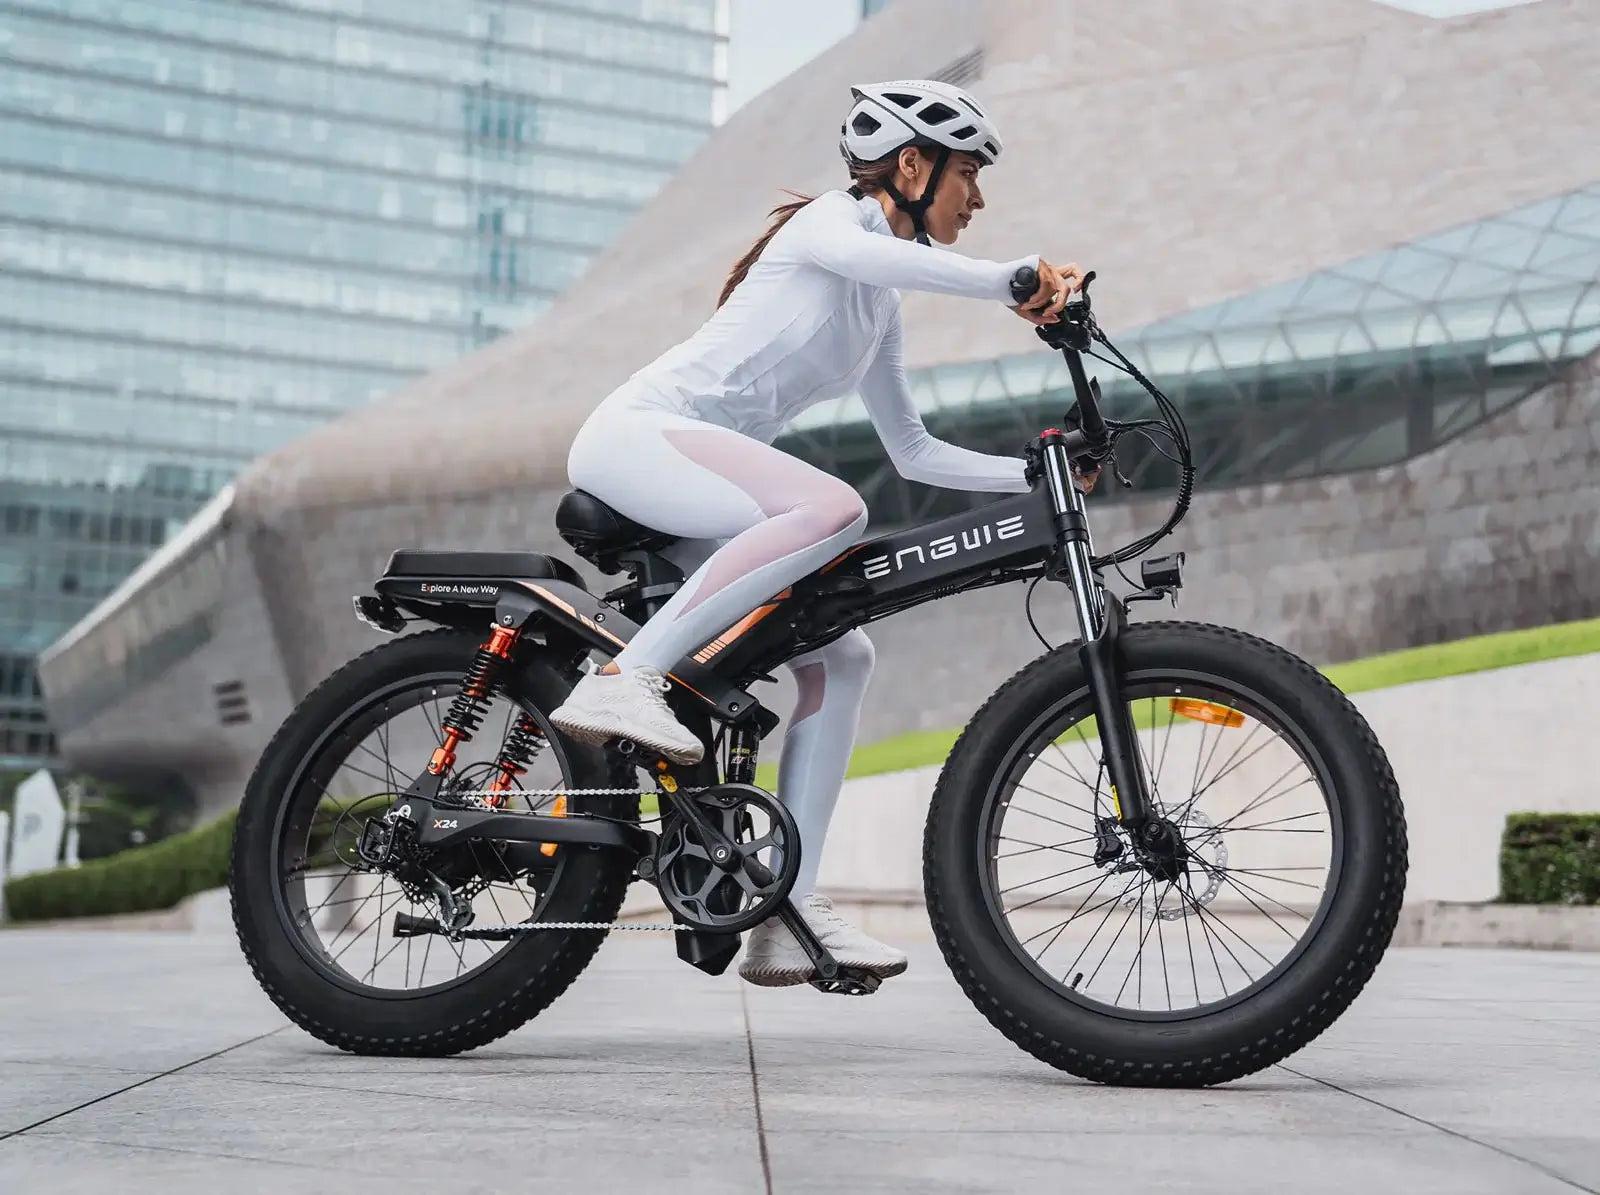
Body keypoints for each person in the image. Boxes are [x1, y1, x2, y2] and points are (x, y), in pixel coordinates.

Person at [551, 79, 1087, 987]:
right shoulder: (828, 228)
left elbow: (913, 450)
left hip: (699, 475)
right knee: (832, 510)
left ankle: (786, 910)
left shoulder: (878, 305)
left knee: (842, 657)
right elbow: (878, 259)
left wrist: (1036, 473)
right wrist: (1012, 279)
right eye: (968, 173)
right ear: (911, 166)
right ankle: (623, 681)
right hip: (638, 439)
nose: (977, 198)